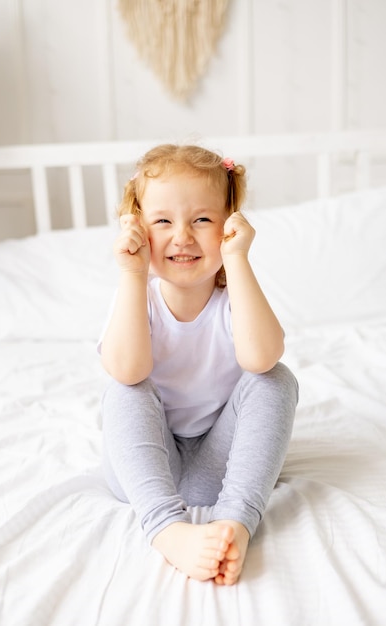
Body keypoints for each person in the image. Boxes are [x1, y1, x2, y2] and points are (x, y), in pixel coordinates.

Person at [99, 143, 298, 585]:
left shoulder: (235, 300)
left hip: (221, 466)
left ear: (229, 225)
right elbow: (128, 370)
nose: (183, 236)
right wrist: (133, 273)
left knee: (275, 379)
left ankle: (236, 522)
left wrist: (237, 259)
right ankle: (167, 530)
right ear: (137, 227)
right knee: (124, 388)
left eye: (202, 220)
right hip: (148, 471)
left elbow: (262, 357)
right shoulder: (138, 297)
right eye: (163, 221)